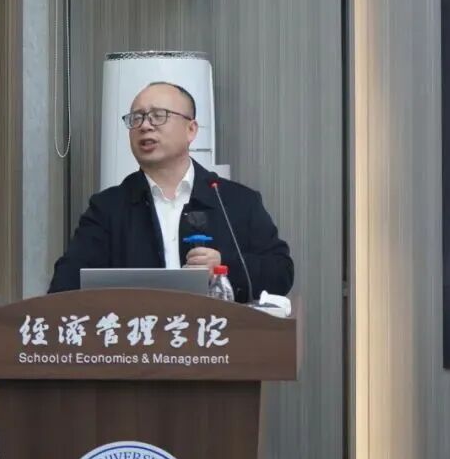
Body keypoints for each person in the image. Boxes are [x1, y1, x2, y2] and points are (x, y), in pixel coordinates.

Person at [48, 81, 294, 303]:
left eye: (158, 116)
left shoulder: (235, 201)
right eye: (136, 118)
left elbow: (281, 273)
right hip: (137, 335)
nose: (145, 126)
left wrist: (224, 265)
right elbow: (65, 285)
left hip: (218, 334)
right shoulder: (108, 208)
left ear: (191, 130)